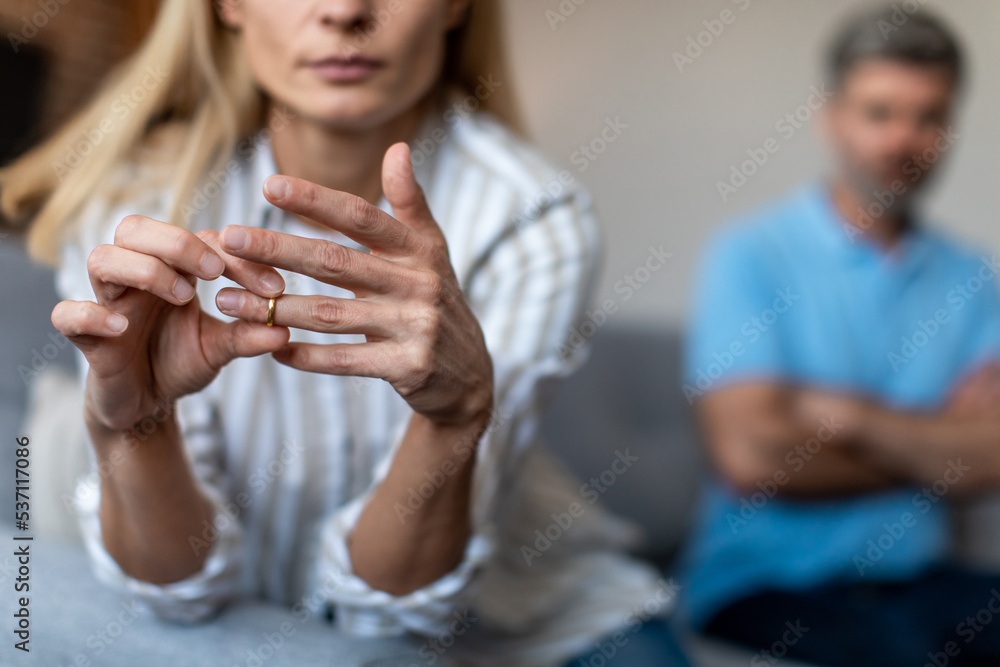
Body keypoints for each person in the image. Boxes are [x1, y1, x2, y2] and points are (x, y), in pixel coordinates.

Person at [0, 1, 689, 665]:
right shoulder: (134, 204)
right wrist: (136, 428)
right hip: (248, 614)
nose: (345, 9)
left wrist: (454, 419)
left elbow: (388, 615)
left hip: (519, 623)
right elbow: (176, 590)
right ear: (228, 4)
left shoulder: (534, 217)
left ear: (455, 5)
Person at [679, 6, 1000, 666]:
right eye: (880, 113)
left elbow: (990, 460)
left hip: (922, 579)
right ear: (832, 117)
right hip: (761, 588)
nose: (903, 140)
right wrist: (936, 450)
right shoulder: (751, 255)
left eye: (929, 117)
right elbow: (752, 456)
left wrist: (845, 416)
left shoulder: (972, 277)